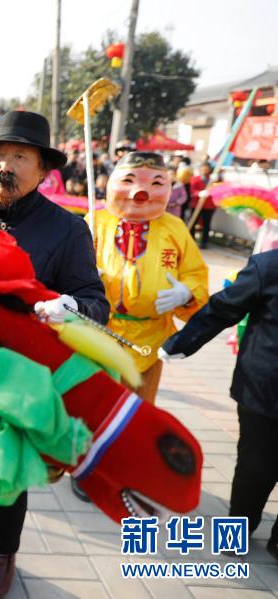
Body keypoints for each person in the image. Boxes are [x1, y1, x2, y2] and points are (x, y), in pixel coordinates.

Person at [0, 110, 109, 598]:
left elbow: (96, 303)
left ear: (44, 169)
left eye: (18, 156)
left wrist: (69, 306)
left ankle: (0, 555)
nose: (4, 166)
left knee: (6, 472)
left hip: (19, 373)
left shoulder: (68, 231)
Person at [160, 248, 278, 564]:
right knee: (255, 465)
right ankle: (236, 533)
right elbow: (223, 308)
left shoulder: (268, 263)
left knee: (255, 466)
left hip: (262, 386)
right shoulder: (270, 266)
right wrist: (179, 344)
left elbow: (222, 308)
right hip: (265, 390)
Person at [89, 151, 208, 406]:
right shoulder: (95, 221)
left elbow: (194, 272)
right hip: (100, 332)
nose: (139, 192)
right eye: (128, 181)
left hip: (150, 337)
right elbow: (70, 268)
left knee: (139, 409)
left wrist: (186, 292)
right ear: (111, 182)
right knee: (97, 406)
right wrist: (85, 277)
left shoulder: (174, 228)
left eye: (155, 183)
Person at [190, 162, 216, 248]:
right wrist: (199, 193)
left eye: (207, 169)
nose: (205, 170)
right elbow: (192, 192)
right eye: (203, 168)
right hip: (197, 204)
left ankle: (204, 242)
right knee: (193, 222)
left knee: (206, 224)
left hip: (209, 205)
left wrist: (217, 181)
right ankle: (190, 240)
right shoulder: (195, 179)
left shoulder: (213, 179)